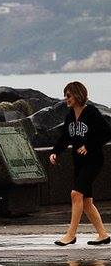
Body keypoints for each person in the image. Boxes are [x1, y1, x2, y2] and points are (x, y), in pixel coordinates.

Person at [49, 81, 111, 246]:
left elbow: (107, 133)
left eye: (68, 95)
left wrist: (89, 145)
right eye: (65, 96)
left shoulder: (91, 112)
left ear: (77, 95)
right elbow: (65, 138)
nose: (66, 99)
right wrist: (55, 151)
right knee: (86, 202)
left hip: (94, 161)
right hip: (79, 163)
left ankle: (71, 235)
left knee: (76, 194)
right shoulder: (70, 116)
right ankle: (103, 235)